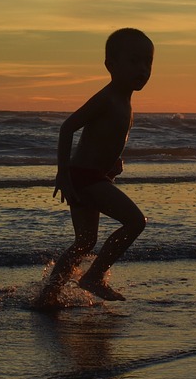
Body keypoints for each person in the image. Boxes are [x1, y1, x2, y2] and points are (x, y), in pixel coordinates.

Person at [45, 28, 154, 302]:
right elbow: (67, 128)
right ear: (111, 65)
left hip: (91, 176)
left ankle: (48, 295)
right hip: (85, 178)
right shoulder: (107, 98)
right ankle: (94, 275)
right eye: (134, 61)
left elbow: (102, 139)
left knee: (84, 242)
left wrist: (112, 162)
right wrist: (62, 173)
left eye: (148, 62)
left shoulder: (124, 101)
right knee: (135, 221)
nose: (142, 69)